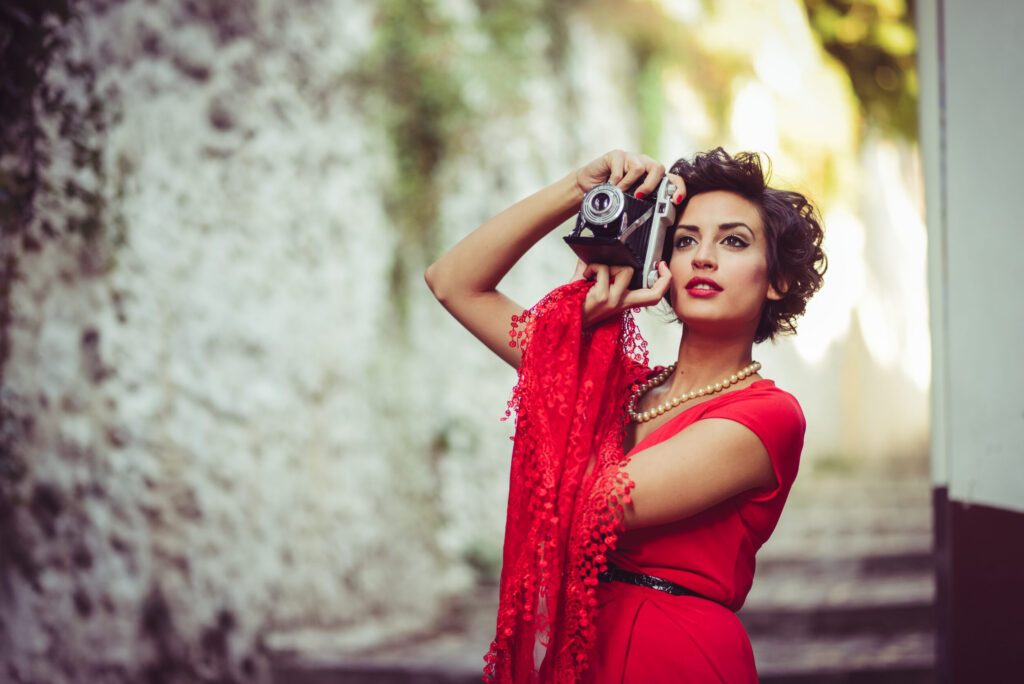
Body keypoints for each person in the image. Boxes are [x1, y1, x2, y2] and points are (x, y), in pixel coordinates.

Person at [425, 148, 826, 683]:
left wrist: (578, 335)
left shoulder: (768, 414)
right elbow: (453, 281)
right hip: (581, 651)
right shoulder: (615, 385)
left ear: (777, 280)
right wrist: (578, 191)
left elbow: (595, 504)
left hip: (676, 656)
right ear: (661, 262)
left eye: (733, 241)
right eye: (685, 241)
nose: (703, 258)